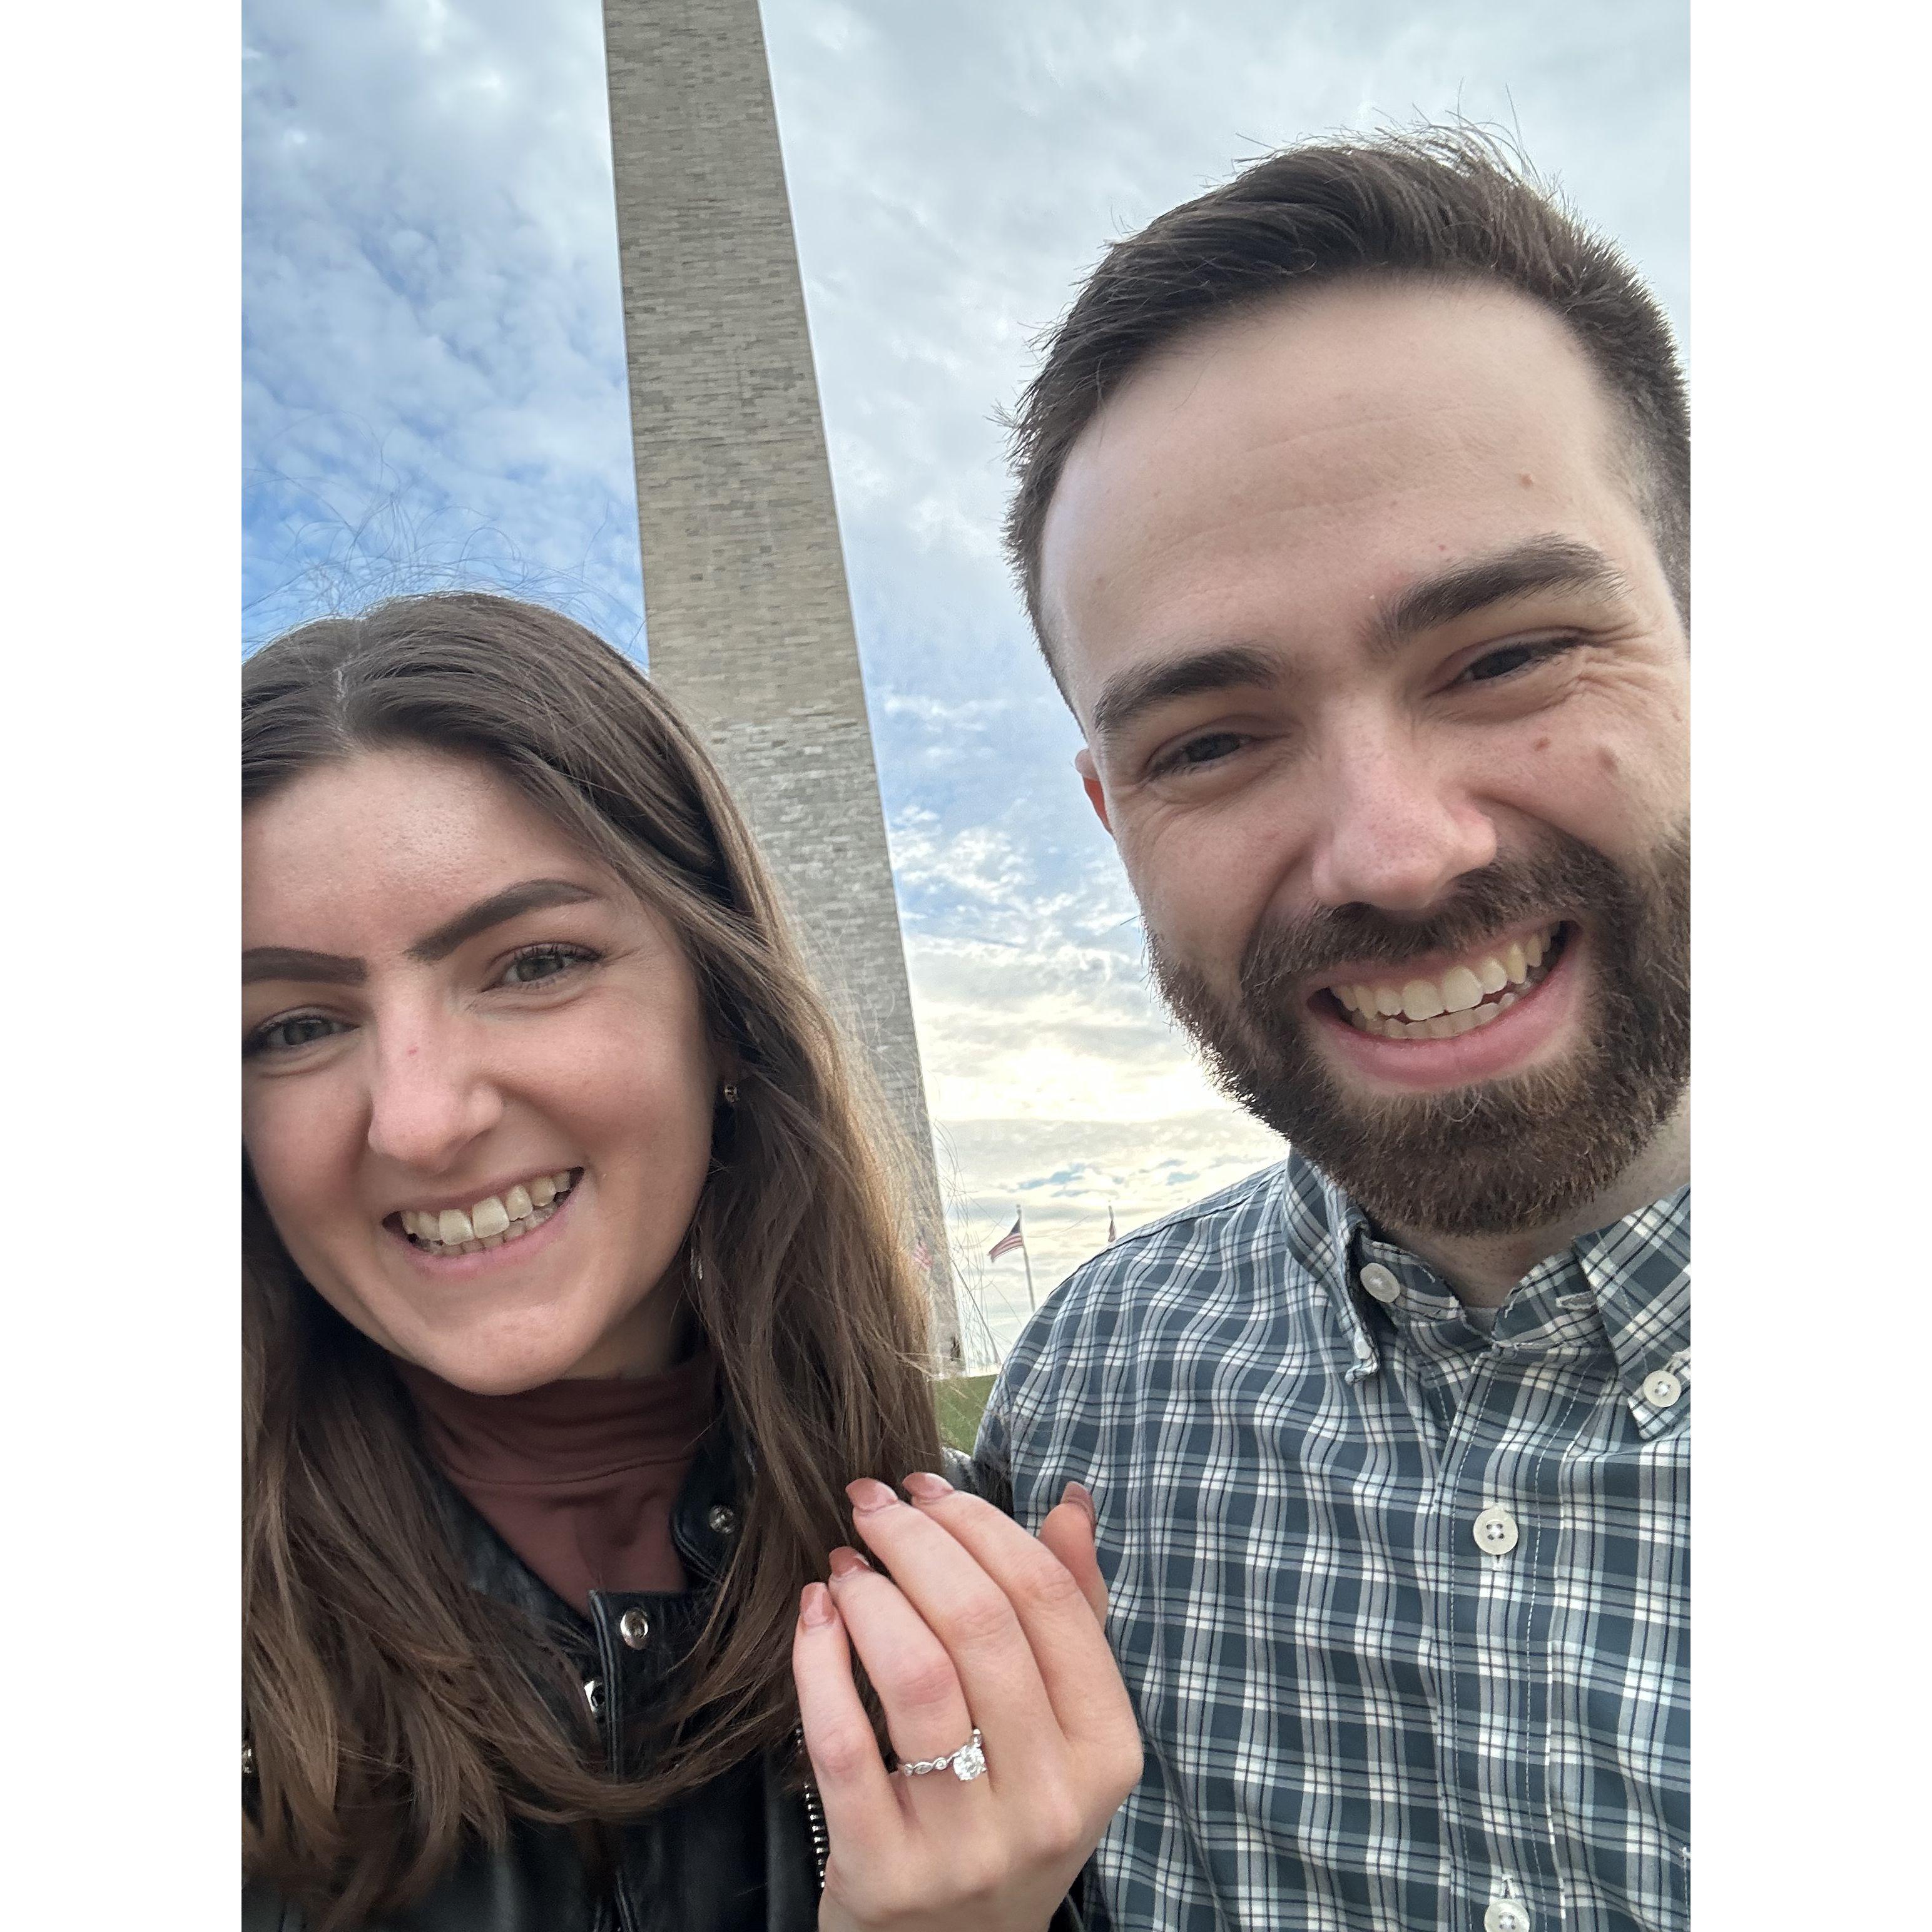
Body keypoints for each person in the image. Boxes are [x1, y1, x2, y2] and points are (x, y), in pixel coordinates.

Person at [976, 128, 1690, 1932]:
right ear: (1112, 816)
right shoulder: (1088, 1399)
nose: (1389, 851)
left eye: (1507, 653)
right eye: (1210, 740)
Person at [241, 593, 1141, 1931]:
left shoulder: (961, 1585)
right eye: (294, 1024)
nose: (420, 1118)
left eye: (533, 962)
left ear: (722, 1013)